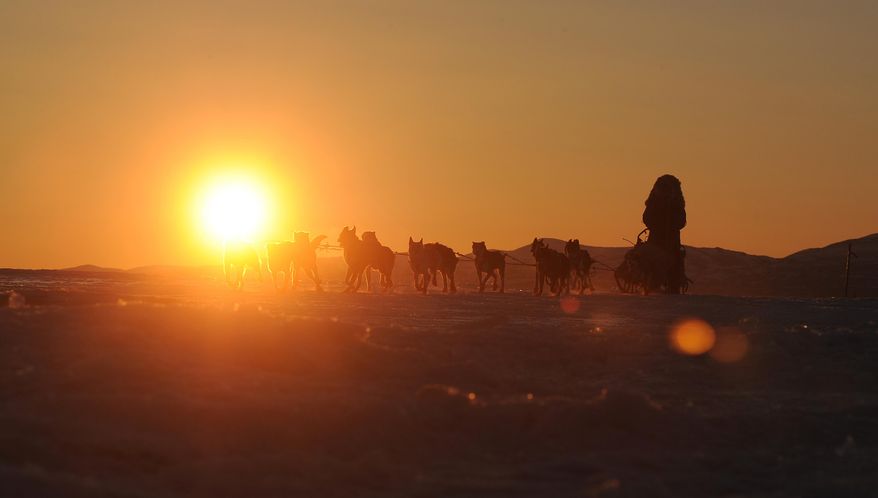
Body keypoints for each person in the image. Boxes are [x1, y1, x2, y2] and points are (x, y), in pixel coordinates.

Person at [642, 174, 687, 293]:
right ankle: (654, 288)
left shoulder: (675, 204)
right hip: (659, 241)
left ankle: (669, 288)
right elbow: (647, 218)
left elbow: (681, 222)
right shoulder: (655, 203)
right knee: (657, 264)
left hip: (669, 242)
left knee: (672, 264)